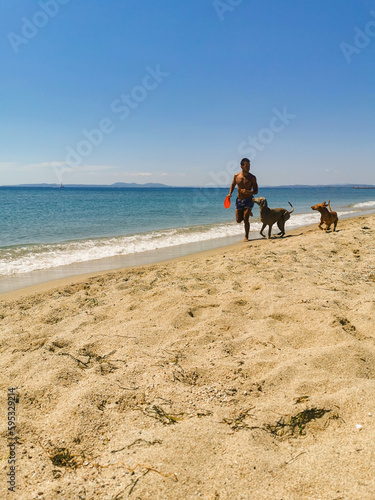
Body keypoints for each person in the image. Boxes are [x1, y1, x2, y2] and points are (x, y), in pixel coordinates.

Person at [228, 158, 258, 241]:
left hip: (249, 200)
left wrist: (247, 191)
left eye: (249, 166)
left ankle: (246, 237)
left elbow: (256, 191)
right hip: (239, 200)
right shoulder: (236, 176)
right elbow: (233, 185)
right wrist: (230, 193)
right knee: (238, 220)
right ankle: (247, 211)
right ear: (241, 166)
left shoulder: (252, 178)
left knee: (246, 218)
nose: (248, 167)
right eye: (246, 166)